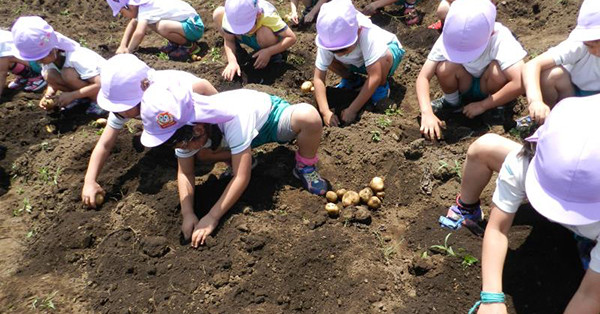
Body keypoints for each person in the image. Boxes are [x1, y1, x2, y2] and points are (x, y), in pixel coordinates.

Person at [450, 96, 600, 314]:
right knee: (484, 148)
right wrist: (491, 298)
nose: (563, 212)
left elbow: (590, 295)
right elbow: (498, 228)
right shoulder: (525, 163)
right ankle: (465, 210)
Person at [139, 87, 327, 246]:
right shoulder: (188, 133)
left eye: (183, 144)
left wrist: (212, 217)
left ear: (198, 130)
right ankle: (244, 158)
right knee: (202, 154)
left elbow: (241, 177)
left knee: (308, 117)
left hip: (268, 123)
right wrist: (187, 213)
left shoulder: (232, 117)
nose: (182, 149)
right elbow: (185, 172)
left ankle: (304, 166)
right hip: (230, 139)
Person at [81, 54, 218, 208]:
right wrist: (90, 181)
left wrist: (219, 125)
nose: (120, 112)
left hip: (193, 113)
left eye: (123, 107)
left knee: (203, 154)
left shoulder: (170, 91)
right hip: (171, 125)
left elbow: (204, 87)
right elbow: (104, 144)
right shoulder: (126, 105)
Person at [416, 0, 526, 141]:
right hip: (464, 83)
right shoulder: (450, 37)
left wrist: (483, 105)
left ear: (490, 33)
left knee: (498, 72)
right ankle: (452, 103)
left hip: (490, 88)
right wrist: (427, 113)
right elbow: (423, 77)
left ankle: (496, 109)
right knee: (444, 68)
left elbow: (520, 81)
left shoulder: (500, 38)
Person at [313, 0, 404, 126]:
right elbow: (318, 78)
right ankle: (353, 81)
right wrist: (325, 112)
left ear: (358, 31)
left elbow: (374, 76)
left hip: (387, 56)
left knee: (383, 59)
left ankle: (380, 89)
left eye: (343, 49)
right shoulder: (328, 39)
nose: (338, 54)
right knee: (328, 60)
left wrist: (352, 110)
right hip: (359, 63)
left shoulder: (367, 33)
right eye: (333, 50)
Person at [523, 0, 600, 125]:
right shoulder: (579, 45)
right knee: (551, 75)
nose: (595, 51)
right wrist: (535, 101)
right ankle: (550, 121)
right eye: (590, 45)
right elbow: (532, 65)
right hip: (575, 95)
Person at [11, 16, 106, 114]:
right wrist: (48, 95)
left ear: (53, 50)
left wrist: (73, 95)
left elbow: (100, 84)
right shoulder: (51, 58)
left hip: (108, 89)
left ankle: (99, 102)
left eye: (41, 58)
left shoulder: (77, 57)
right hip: (88, 87)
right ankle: (84, 98)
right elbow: (52, 83)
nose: (39, 61)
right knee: (50, 75)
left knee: (68, 74)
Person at [213, 0, 297, 81]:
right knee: (218, 13)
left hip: (268, 40)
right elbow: (229, 40)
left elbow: (291, 38)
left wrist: (269, 52)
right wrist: (232, 61)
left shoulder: (268, 16)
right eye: (237, 29)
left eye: (245, 28)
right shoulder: (231, 18)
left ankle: (273, 58)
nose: (242, 32)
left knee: (264, 32)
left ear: (258, 15)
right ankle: (238, 54)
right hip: (249, 39)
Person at [106, 0, 204, 60]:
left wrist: (129, 51)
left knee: (162, 26)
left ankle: (189, 46)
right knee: (154, 23)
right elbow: (132, 24)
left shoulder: (145, 9)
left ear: (129, 6)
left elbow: (139, 33)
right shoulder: (144, 4)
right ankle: (177, 43)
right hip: (189, 25)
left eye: (122, 13)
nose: (124, 16)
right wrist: (123, 45)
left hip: (194, 27)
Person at [0, 30, 46, 100]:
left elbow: (2, 73)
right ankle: (25, 75)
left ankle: (37, 75)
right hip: (31, 57)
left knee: (6, 60)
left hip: (41, 61)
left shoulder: (1, 43)